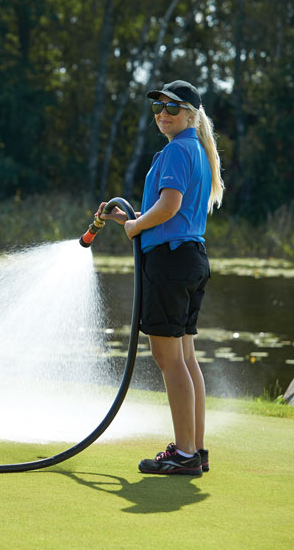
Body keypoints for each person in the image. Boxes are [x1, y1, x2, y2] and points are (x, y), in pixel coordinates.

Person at [96, 80, 224, 476]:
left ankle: (184, 454)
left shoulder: (176, 150)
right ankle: (195, 450)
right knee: (185, 358)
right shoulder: (196, 151)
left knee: (171, 361)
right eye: (158, 108)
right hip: (190, 259)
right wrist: (131, 220)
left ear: (190, 114)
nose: (162, 114)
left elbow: (169, 207)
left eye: (171, 107)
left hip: (170, 264)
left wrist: (135, 227)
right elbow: (167, 210)